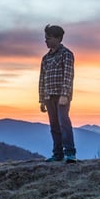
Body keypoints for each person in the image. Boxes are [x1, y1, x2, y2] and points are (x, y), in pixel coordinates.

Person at [38, 24, 77, 163]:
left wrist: (65, 95)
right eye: (45, 38)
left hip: (61, 96)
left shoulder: (66, 54)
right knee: (54, 125)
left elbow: (68, 75)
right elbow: (42, 78)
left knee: (64, 123)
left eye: (48, 38)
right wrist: (42, 99)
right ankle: (57, 153)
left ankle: (70, 153)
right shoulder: (45, 58)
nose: (46, 41)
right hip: (48, 96)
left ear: (58, 38)